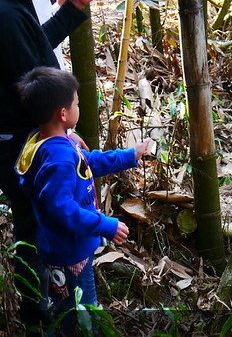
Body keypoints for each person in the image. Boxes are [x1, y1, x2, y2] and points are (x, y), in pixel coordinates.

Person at [0, 0, 108, 330]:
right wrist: (60, 130)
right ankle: (44, 314)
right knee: (36, 222)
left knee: (38, 219)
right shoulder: (6, 13)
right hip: (22, 138)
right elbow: (33, 80)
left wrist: (76, 4)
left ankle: (48, 309)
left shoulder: (12, 3)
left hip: (32, 133)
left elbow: (37, 51)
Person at [15, 67, 150, 331]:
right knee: (83, 311)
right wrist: (104, 225)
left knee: (67, 306)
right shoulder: (59, 158)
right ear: (63, 113)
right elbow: (61, 209)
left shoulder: (47, 141)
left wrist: (129, 155)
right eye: (76, 103)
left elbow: (88, 162)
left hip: (63, 247)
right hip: (68, 253)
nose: (79, 106)